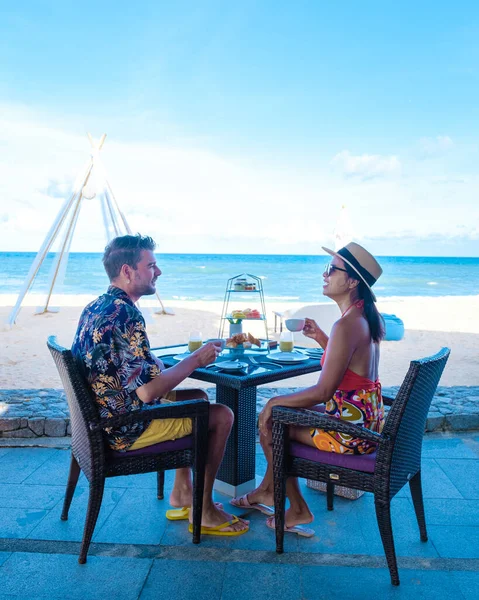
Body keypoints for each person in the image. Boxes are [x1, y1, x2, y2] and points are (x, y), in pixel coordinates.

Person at [72, 234, 248, 536]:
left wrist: (179, 360)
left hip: (104, 417)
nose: (159, 272)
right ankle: (203, 510)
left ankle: (182, 492)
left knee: (196, 396)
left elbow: (128, 366)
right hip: (124, 427)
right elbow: (149, 391)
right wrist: (195, 360)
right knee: (221, 415)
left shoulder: (98, 306)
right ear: (128, 271)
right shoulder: (126, 313)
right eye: (151, 265)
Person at [231, 242, 384, 537]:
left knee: (274, 423)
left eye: (332, 269)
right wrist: (323, 339)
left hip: (350, 432)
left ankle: (297, 506)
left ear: (352, 281)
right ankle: (267, 491)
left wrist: (274, 402)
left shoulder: (348, 324)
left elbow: (323, 391)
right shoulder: (365, 317)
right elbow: (353, 369)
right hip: (364, 420)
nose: (325, 274)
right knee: (281, 418)